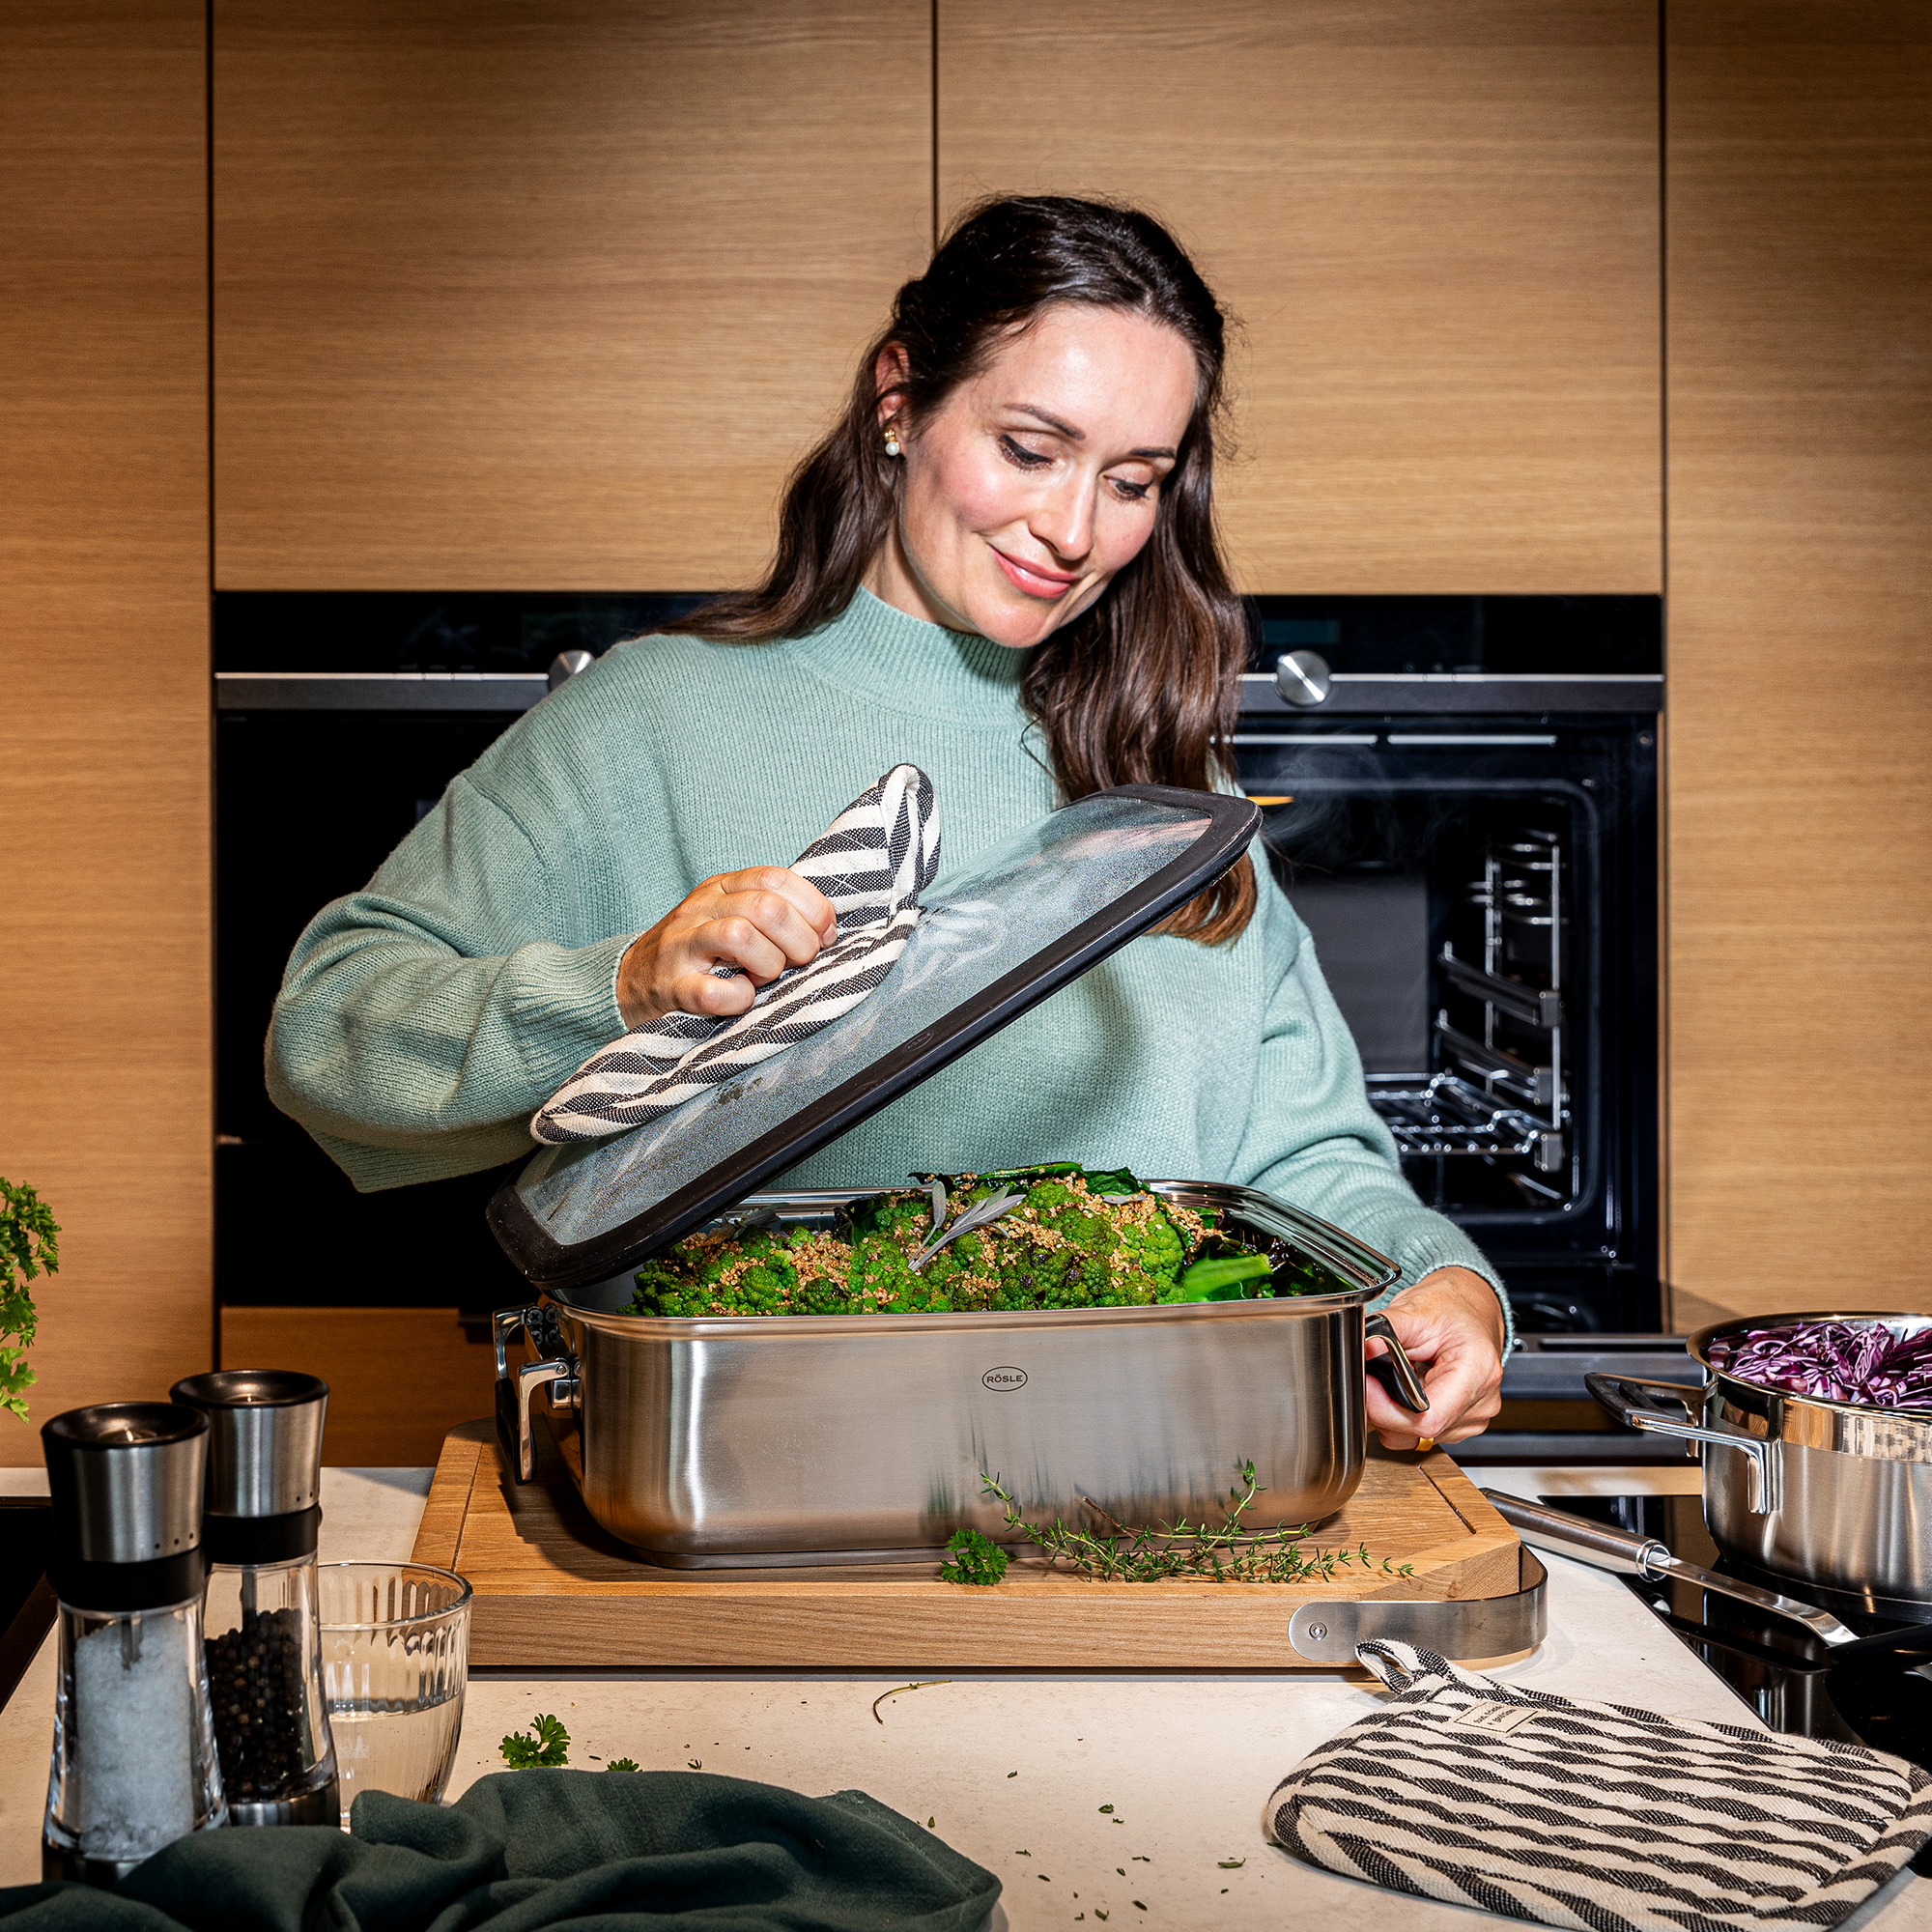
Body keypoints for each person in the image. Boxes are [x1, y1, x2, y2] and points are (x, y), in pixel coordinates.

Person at [268, 195, 1508, 1448]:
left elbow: (1303, 1152)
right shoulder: (652, 721)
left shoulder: (1167, 792)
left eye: (1132, 482)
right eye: (1031, 450)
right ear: (900, 401)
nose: (1076, 533)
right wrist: (624, 990)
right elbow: (324, 1033)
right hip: (741, 1484)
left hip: (1135, 1485)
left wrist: (1433, 1278)